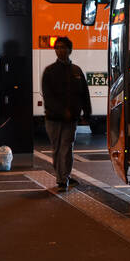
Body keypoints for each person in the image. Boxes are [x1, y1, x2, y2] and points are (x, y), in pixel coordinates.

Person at [41, 36, 91, 191]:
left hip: (71, 119)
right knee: (57, 149)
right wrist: (63, 111)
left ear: (70, 50)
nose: (60, 50)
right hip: (54, 118)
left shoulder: (76, 70)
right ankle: (62, 176)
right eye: (58, 47)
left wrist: (87, 113)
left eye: (63, 47)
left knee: (67, 148)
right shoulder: (49, 71)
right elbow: (48, 96)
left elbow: (84, 94)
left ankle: (63, 179)